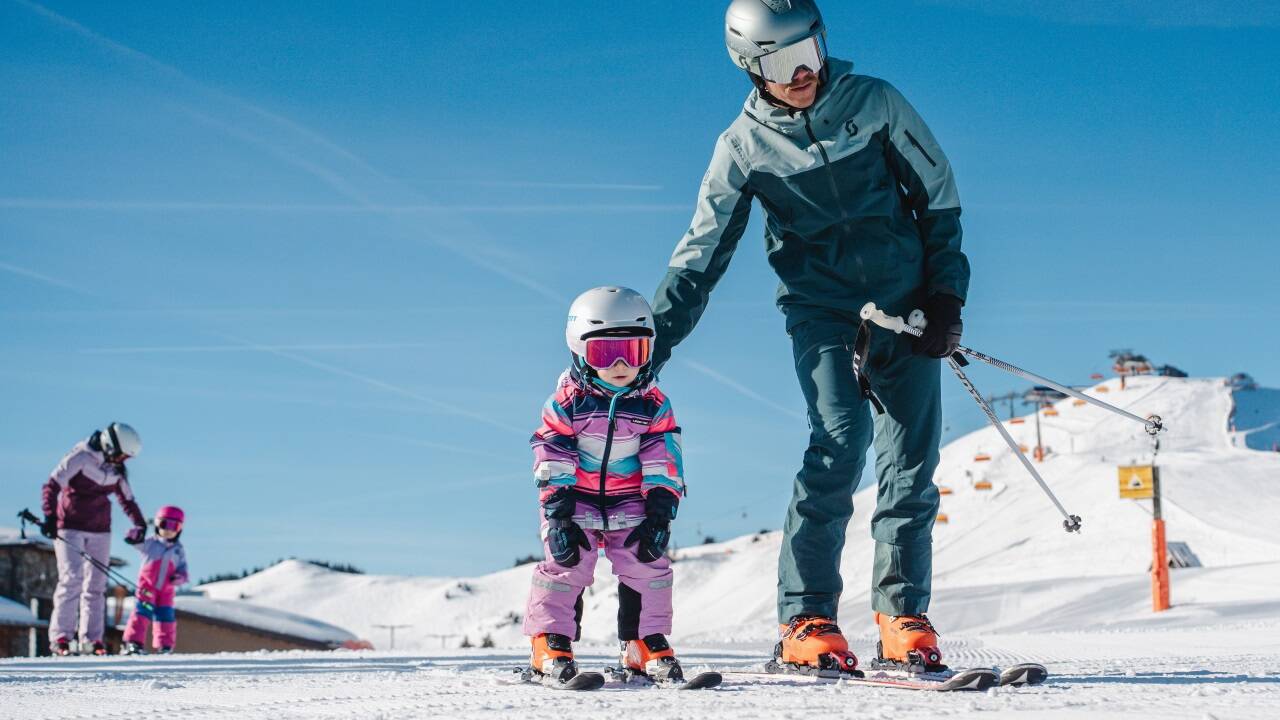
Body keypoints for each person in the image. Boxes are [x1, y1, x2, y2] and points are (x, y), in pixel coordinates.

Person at [651, 0, 969, 674]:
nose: (803, 73)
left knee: (911, 460)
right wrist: (650, 350)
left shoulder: (874, 102)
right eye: (783, 63)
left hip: (908, 304)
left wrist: (945, 296)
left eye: (811, 53)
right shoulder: (742, 148)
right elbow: (701, 255)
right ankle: (805, 618)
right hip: (823, 312)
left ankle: (901, 616)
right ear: (750, 67)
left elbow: (937, 196)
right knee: (839, 441)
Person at [523, 287, 687, 684]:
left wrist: (661, 505)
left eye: (633, 351)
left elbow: (663, 452)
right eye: (604, 353)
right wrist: (558, 509)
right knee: (567, 563)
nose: (619, 365)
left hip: (631, 500)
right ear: (580, 351)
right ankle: (549, 644)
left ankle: (643, 643)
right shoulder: (567, 402)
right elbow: (552, 449)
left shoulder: (653, 404)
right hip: (574, 499)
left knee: (647, 564)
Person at [41, 422, 148, 656]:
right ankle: (61, 637)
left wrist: (140, 524)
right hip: (70, 527)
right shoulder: (80, 457)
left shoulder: (115, 469)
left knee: (97, 585)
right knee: (72, 579)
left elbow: (127, 500)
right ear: (110, 445)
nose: (122, 460)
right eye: (121, 455)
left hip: (100, 530)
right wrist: (49, 516)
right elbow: (52, 485)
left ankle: (92, 639)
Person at [122, 505, 189, 655]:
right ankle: (133, 643)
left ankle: (165, 646)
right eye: (165, 524)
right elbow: (136, 542)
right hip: (147, 588)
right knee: (142, 613)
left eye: (174, 526)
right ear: (157, 524)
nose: (168, 530)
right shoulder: (150, 543)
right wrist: (133, 535)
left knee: (166, 617)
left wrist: (180, 578)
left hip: (166, 591)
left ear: (180, 529)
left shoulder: (178, 550)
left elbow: (183, 569)